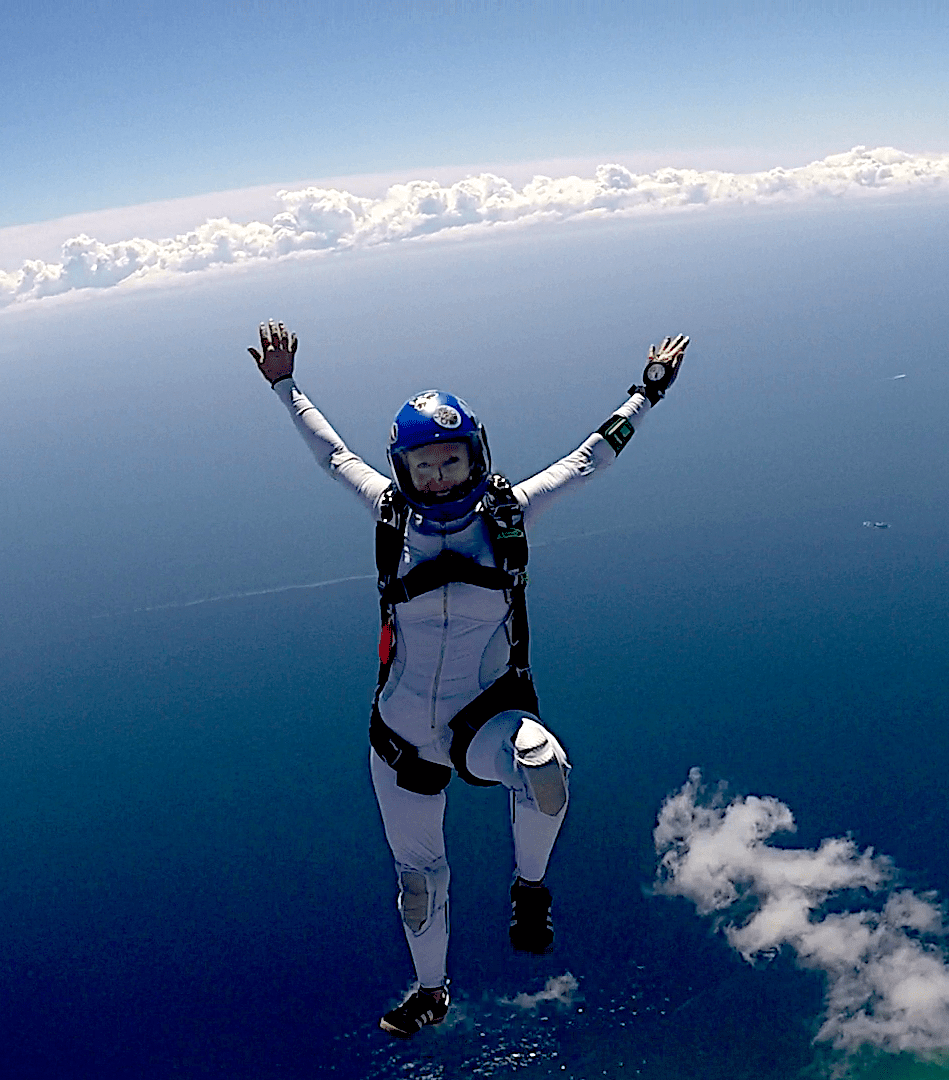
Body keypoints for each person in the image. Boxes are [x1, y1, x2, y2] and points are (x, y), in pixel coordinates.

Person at [248, 320, 688, 1037]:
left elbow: (588, 460)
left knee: (545, 770)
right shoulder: (391, 515)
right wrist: (285, 386)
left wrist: (646, 394)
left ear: (476, 456)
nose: (440, 477)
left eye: (451, 461)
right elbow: (332, 456)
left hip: (479, 722)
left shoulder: (509, 514)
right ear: (404, 473)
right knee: (420, 887)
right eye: (425, 467)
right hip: (398, 741)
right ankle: (430, 991)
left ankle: (530, 890)